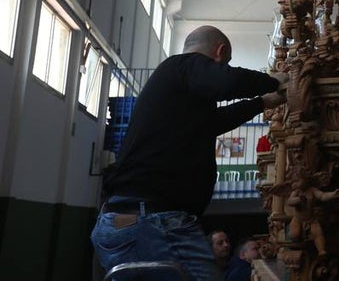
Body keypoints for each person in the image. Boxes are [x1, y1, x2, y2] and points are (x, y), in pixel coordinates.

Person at [90, 26, 285, 281]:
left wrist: (261, 103)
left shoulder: (177, 94)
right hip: (154, 222)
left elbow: (214, 121)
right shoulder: (181, 66)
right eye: (224, 63)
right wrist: (274, 80)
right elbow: (226, 81)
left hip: (134, 220)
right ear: (220, 52)